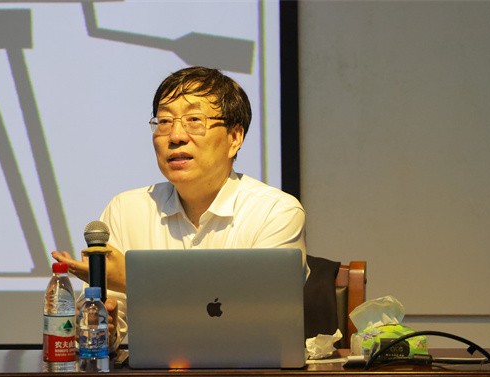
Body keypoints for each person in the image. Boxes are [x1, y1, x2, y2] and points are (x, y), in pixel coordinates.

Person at [52, 66, 307, 352]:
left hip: (247, 375)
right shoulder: (126, 210)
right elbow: (113, 322)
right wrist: (102, 327)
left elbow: (263, 323)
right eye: (164, 121)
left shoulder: (275, 212)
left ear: (235, 138)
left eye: (194, 120)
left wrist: (134, 281)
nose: (175, 136)